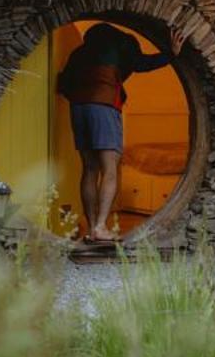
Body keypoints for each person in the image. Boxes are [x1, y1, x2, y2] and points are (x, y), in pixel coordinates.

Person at [56, 22, 178, 242]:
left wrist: (81, 97)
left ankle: (92, 226)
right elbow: (142, 63)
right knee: (109, 169)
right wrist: (170, 55)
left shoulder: (80, 52)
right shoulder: (124, 43)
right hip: (104, 104)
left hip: (79, 108)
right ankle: (101, 227)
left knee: (90, 168)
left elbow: (63, 84)